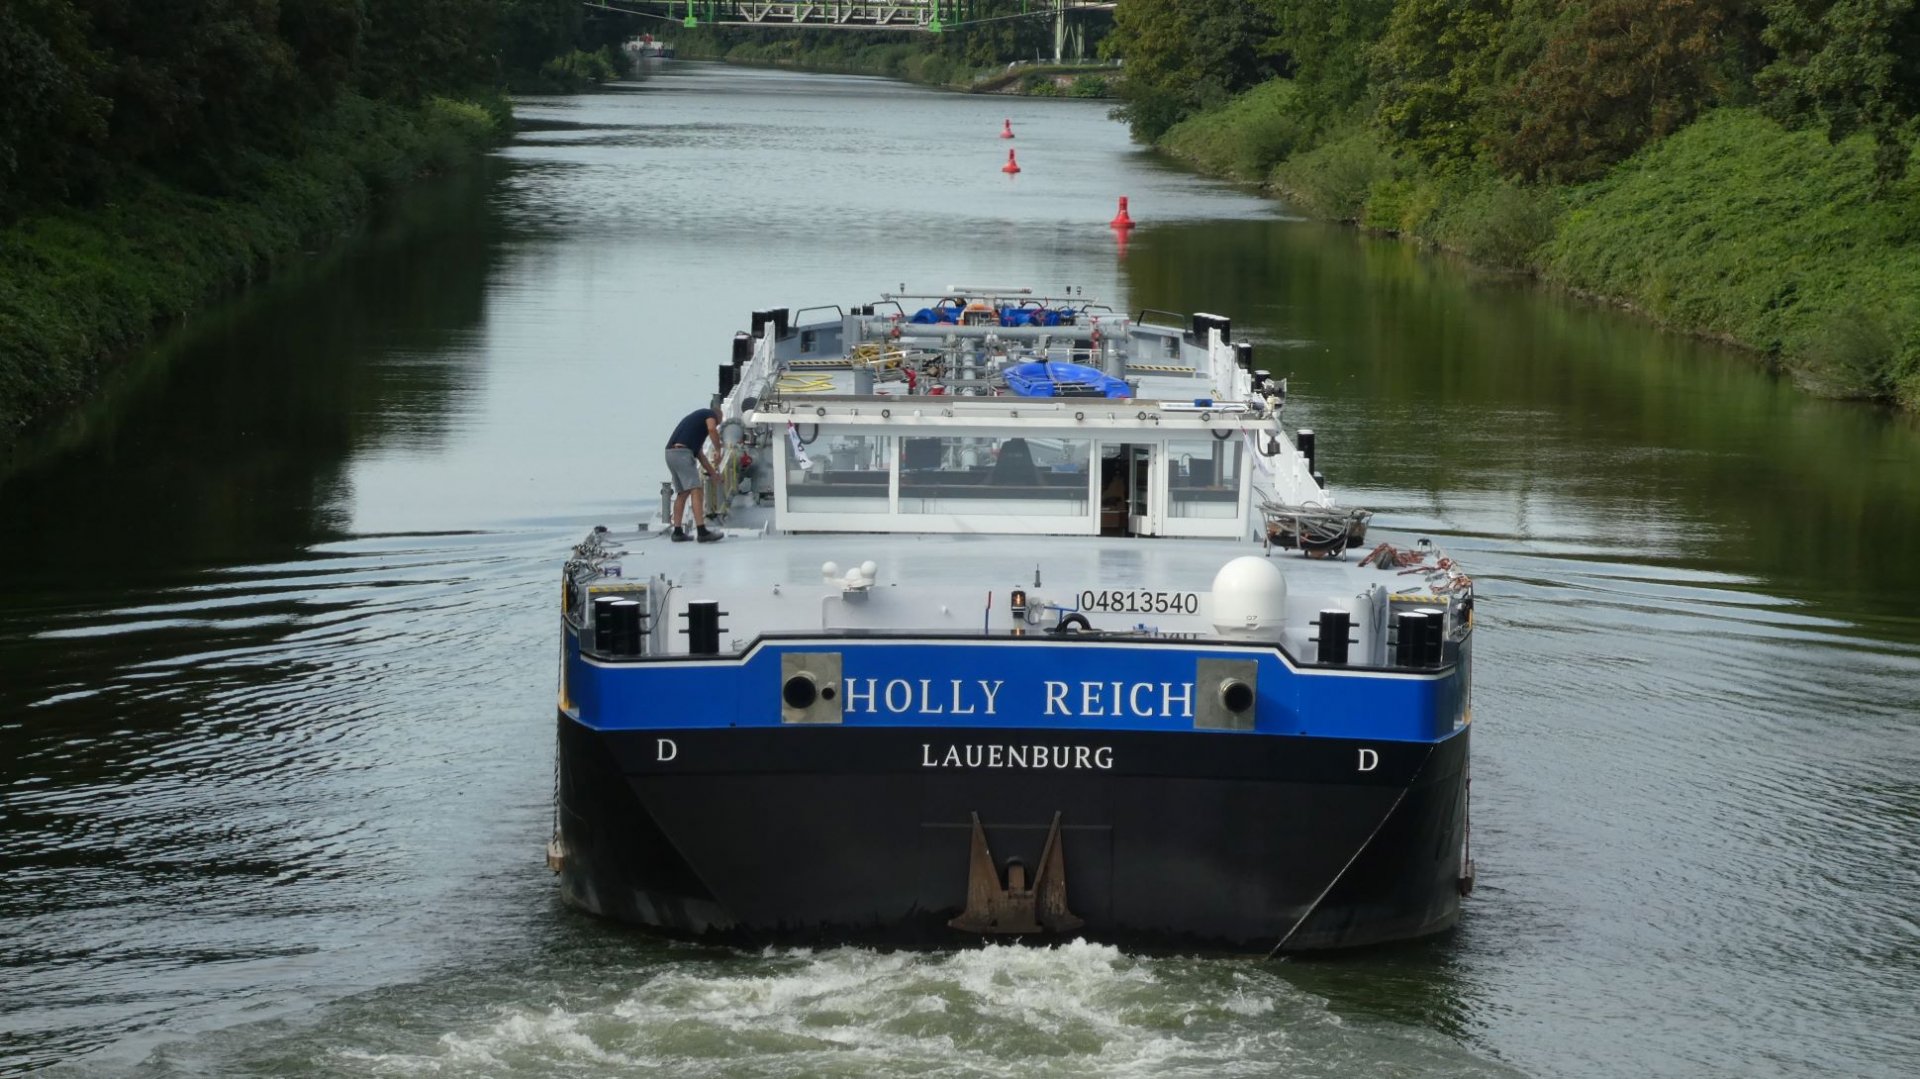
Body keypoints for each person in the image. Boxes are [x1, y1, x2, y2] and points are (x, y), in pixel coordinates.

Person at [664, 407, 724, 543]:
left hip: (670, 454)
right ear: (717, 417)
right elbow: (712, 429)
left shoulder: (695, 430)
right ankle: (702, 532)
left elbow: (700, 455)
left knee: (683, 492)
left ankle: (677, 532)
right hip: (682, 454)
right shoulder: (709, 414)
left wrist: (714, 474)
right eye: (718, 423)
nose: (716, 425)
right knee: (696, 490)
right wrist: (718, 449)